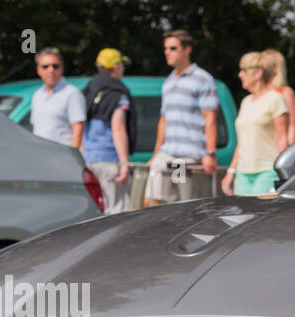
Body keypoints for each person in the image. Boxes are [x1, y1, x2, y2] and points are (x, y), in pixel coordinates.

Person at [145, 29, 219, 206]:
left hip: (184, 159)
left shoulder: (202, 79)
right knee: (150, 201)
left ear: (187, 50)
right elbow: (164, 120)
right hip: (166, 154)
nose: (167, 52)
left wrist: (210, 153)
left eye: (172, 48)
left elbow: (210, 118)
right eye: (165, 48)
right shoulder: (168, 82)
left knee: (182, 207)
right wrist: (155, 155)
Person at [223, 52, 289, 196]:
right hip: (242, 173)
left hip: (267, 171)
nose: (240, 75)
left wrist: (286, 173)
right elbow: (242, 142)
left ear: (258, 73)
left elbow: (282, 139)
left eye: (244, 70)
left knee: (261, 217)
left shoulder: (276, 99)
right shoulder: (245, 102)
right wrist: (230, 172)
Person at [81, 48, 136, 214]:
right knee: (116, 213)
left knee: (93, 213)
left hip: (87, 161)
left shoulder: (87, 91)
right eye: (122, 66)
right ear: (116, 67)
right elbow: (118, 128)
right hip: (109, 160)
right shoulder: (118, 94)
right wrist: (124, 163)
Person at [29, 48, 86, 149]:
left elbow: (78, 128)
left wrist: (71, 157)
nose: (51, 70)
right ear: (38, 70)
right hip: (40, 156)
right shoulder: (37, 95)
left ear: (62, 68)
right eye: (45, 66)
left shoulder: (72, 93)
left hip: (62, 157)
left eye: (55, 66)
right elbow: (36, 129)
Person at [261, 49, 295, 149]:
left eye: (264, 67)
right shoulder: (256, 96)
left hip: (277, 151)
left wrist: (289, 154)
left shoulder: (286, 93)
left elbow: (292, 127)